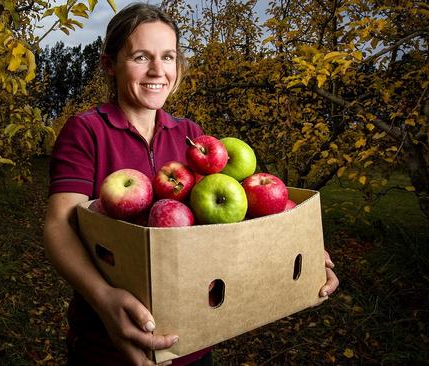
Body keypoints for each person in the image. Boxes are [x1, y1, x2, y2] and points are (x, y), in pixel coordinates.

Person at [43, 3, 339, 366]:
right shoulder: (87, 131)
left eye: (168, 57)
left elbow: (233, 224)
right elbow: (59, 225)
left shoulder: (191, 138)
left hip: (192, 341)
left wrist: (300, 251)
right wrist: (104, 299)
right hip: (106, 346)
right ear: (109, 64)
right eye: (140, 57)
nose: (158, 70)